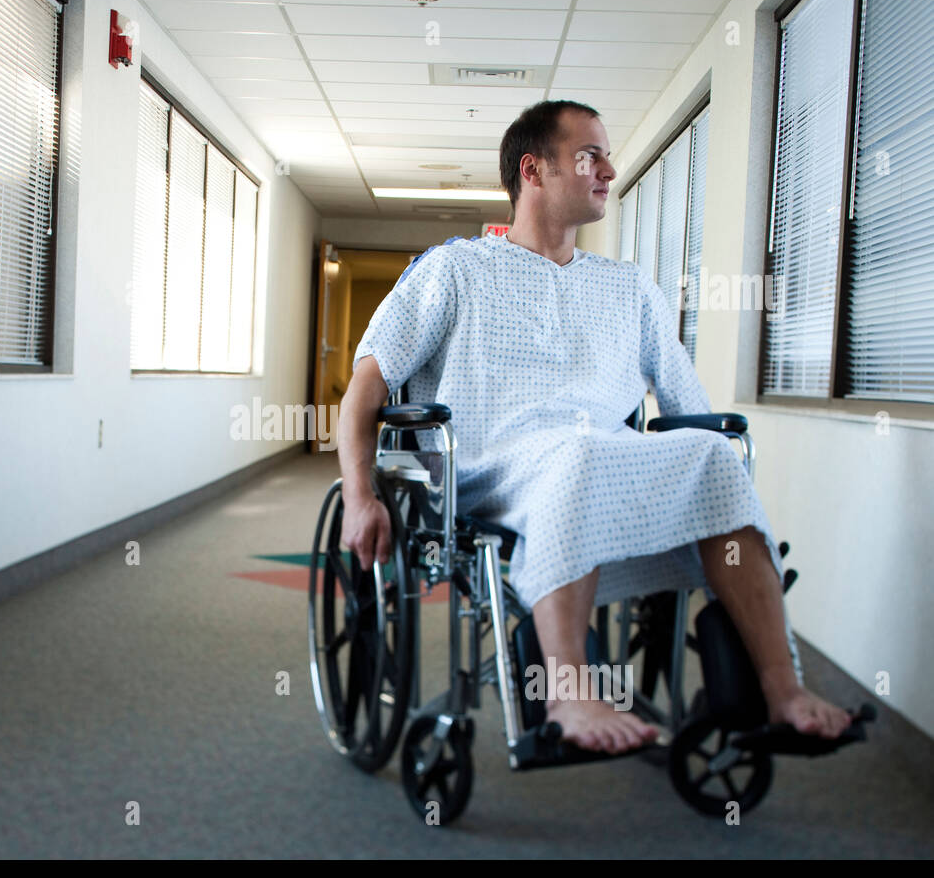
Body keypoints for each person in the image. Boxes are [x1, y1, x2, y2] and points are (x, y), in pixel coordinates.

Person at [337, 99, 852, 755]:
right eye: (590, 155)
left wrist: (699, 450)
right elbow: (365, 390)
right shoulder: (455, 270)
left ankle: (782, 690)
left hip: (603, 463)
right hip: (492, 471)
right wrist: (360, 495)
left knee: (713, 456)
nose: (609, 168)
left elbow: (688, 410)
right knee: (577, 454)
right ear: (534, 169)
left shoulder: (629, 288)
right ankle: (568, 691)